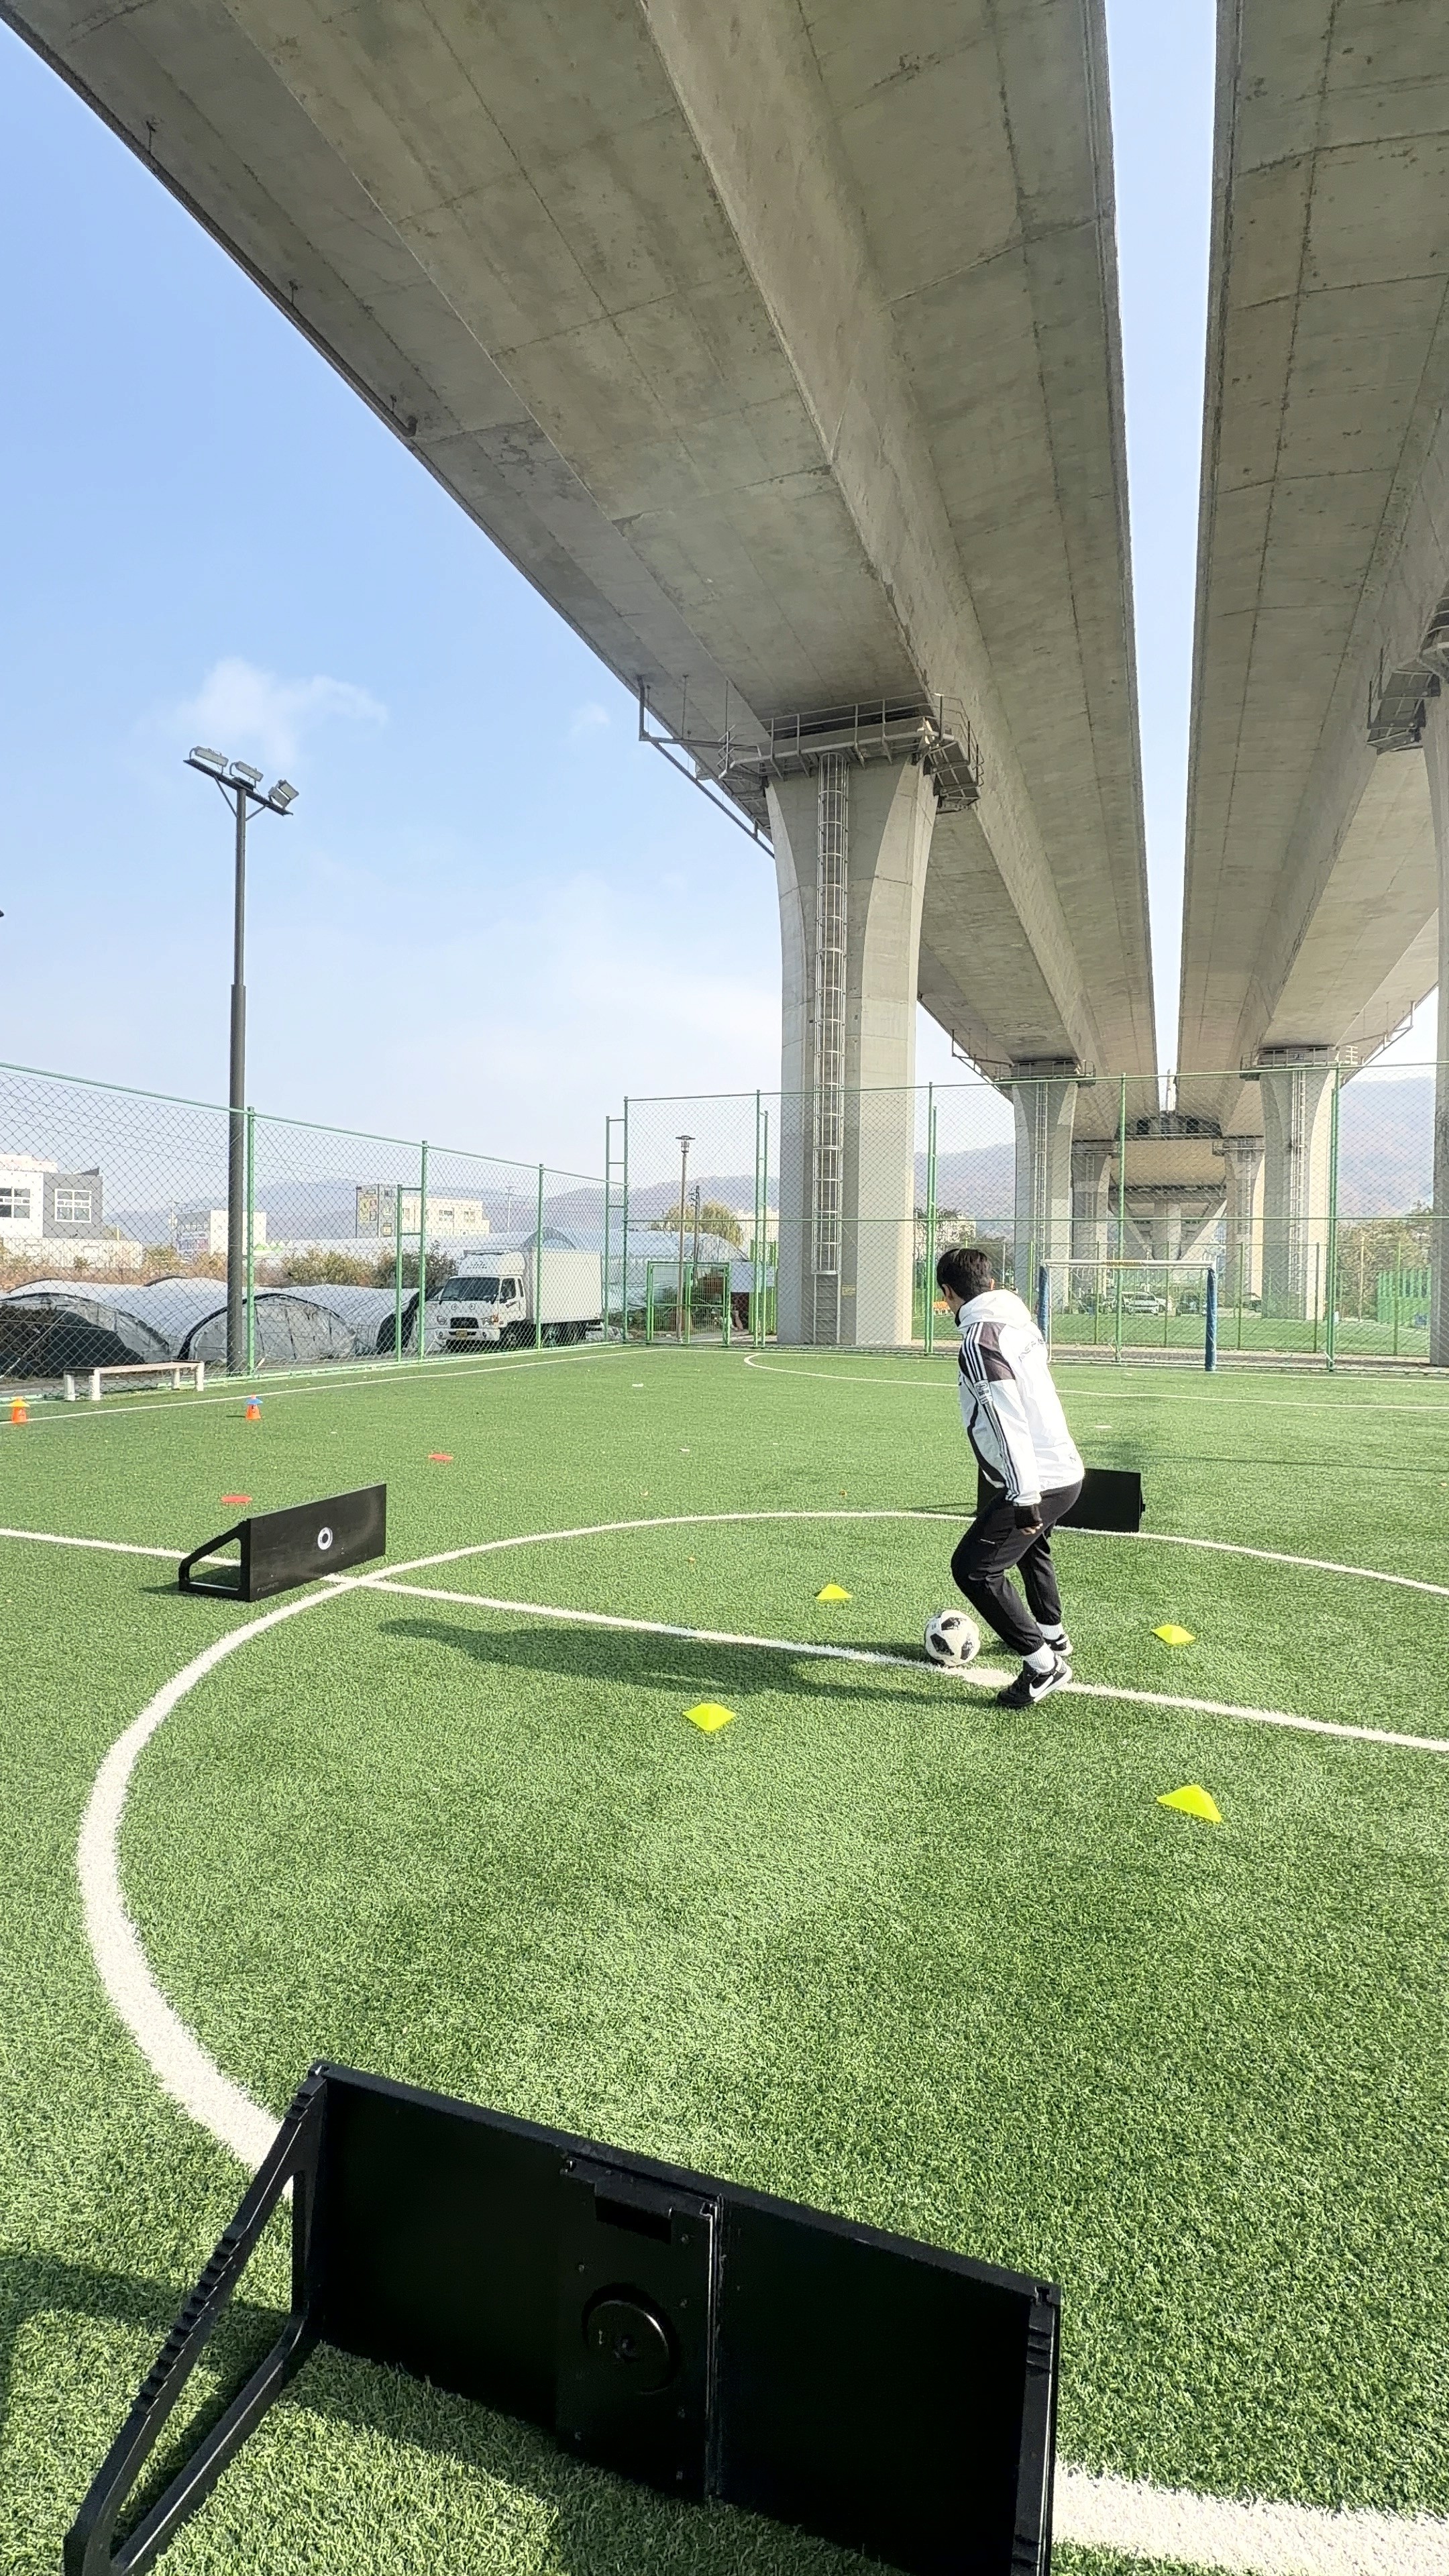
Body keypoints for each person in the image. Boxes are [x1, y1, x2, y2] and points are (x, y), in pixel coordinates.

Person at [932, 1244, 1083, 1707]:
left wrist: (1023, 1496)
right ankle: (1054, 1637)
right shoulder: (1020, 1323)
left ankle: (1044, 1666)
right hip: (1063, 1470)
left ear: (947, 1293)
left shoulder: (980, 1339)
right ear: (991, 1285)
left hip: (1039, 1477)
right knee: (1032, 1550)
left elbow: (1006, 1418)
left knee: (974, 1570)